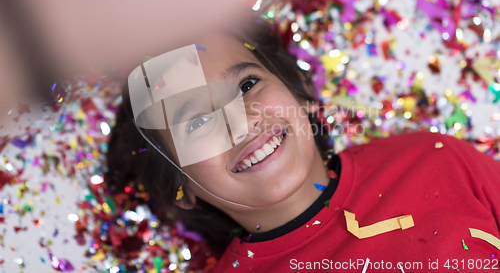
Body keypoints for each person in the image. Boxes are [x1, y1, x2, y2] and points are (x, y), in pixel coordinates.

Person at [106, 21, 500, 272]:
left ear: (301, 96)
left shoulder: (432, 159)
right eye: (196, 121)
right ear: (182, 189)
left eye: (246, 86)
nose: (240, 121)